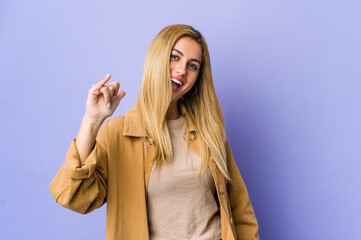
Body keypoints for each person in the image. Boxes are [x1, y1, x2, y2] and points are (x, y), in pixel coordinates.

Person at [49, 24, 259, 240]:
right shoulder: (118, 134)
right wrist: (92, 120)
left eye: (193, 66)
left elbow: (240, 211)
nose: (181, 71)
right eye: (175, 57)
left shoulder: (208, 131)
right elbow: (72, 197)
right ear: (156, 59)